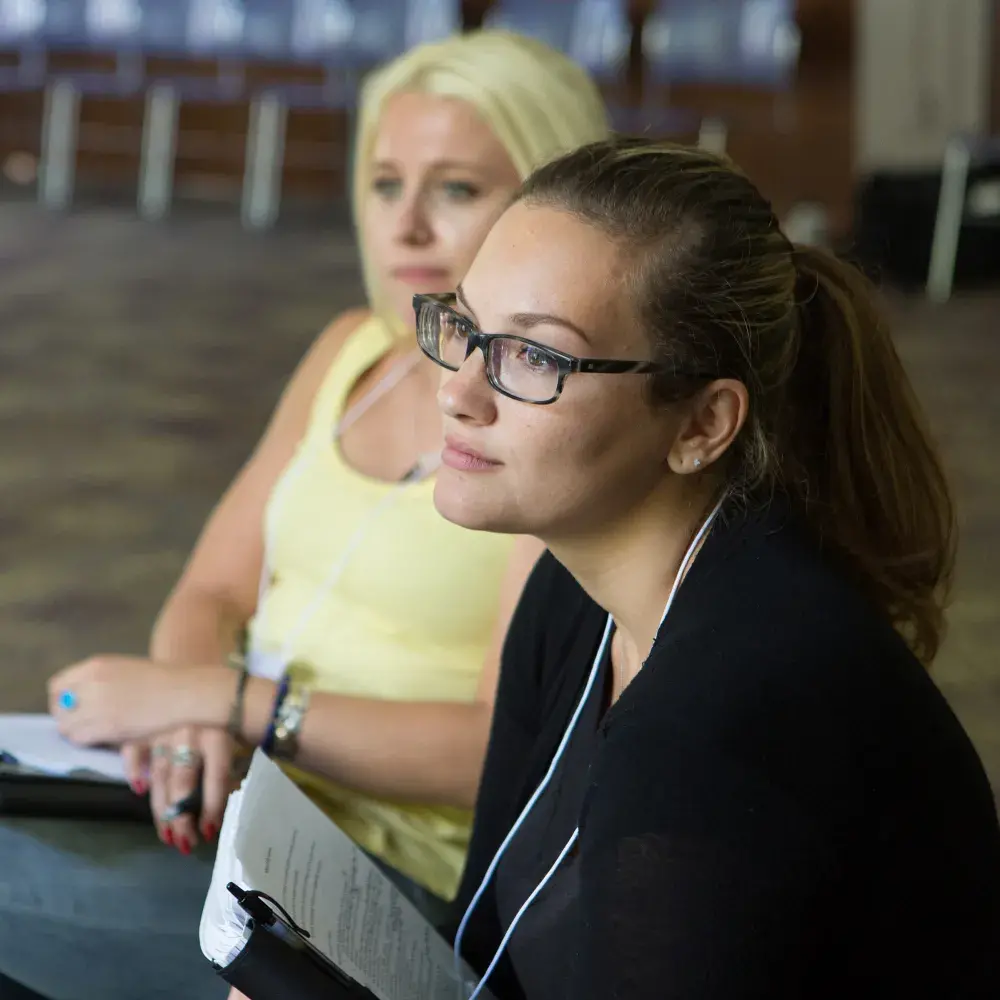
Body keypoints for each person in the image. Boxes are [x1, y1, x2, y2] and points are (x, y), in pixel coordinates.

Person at [0, 32, 609, 1000]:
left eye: (454, 189)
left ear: (543, 208)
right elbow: (212, 586)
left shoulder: (540, 419)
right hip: (238, 800)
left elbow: (500, 752)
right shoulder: (350, 352)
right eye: (382, 184)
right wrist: (186, 715)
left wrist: (233, 704)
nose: (405, 225)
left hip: (378, 877)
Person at [417, 137, 1000, 999]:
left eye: (534, 356)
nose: (459, 390)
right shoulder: (575, 598)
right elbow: (484, 949)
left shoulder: (717, 729)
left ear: (701, 426)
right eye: (467, 327)